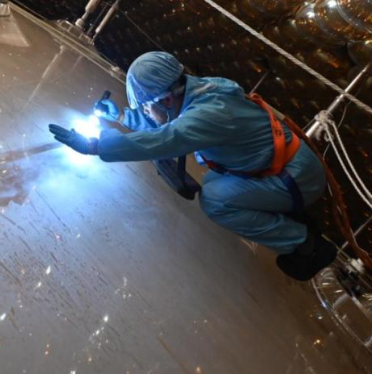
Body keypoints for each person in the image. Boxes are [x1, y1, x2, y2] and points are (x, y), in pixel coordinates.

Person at [48, 51, 337, 281]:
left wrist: (96, 146)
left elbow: (167, 138)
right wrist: (123, 116)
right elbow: (168, 124)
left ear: (167, 98)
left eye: (146, 106)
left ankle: (305, 245)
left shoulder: (208, 114)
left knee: (216, 201)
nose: (145, 111)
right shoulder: (196, 90)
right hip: (282, 167)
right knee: (212, 183)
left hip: (296, 178)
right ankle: (284, 216)